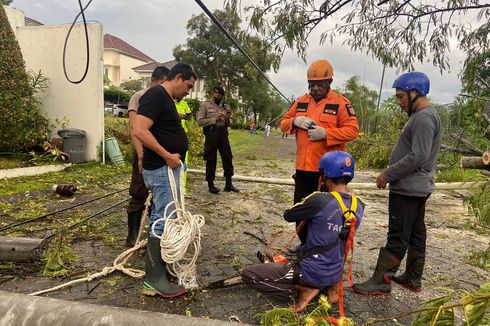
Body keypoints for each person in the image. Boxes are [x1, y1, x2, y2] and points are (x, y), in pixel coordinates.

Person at [242, 151, 364, 313]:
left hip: (311, 273)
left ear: (323, 175)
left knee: (248, 274)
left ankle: (303, 288)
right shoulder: (359, 205)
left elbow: (288, 214)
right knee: (306, 249)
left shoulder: (318, 199)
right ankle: (329, 288)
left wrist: (313, 199)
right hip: (334, 273)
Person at [353, 72, 441, 295]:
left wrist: (388, 174)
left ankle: (381, 282)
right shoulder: (425, 116)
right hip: (417, 187)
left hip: (409, 188)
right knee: (415, 234)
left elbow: (418, 155)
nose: (399, 102)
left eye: (401, 97)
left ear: (415, 93)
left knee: (398, 235)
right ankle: (413, 277)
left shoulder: (423, 118)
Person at [133, 63, 197, 298]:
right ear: (178, 77)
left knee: (167, 218)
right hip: (162, 169)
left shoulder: (166, 99)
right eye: (188, 86)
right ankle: (153, 279)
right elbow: (139, 129)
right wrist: (166, 155)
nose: (188, 92)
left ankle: (161, 271)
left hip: (167, 168)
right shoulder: (156, 95)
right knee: (161, 220)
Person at [280, 59, 359, 245]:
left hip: (328, 173)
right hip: (303, 169)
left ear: (329, 82)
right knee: (301, 212)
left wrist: (326, 134)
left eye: (319, 84)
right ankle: (304, 246)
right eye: (311, 84)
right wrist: (295, 121)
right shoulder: (300, 102)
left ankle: (322, 249)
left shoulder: (340, 104)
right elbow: (283, 124)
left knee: (325, 213)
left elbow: (353, 130)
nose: (314, 88)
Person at [125, 66, 169, 247]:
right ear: (153, 80)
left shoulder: (166, 98)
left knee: (158, 197)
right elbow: (136, 129)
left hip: (159, 153)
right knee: (139, 192)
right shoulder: (139, 96)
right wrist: (141, 156)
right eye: (161, 83)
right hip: (145, 152)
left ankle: (153, 236)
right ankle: (132, 235)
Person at [197, 85, 239, 194]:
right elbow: (200, 121)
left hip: (223, 133)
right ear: (213, 94)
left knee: (227, 156)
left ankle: (228, 184)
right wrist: (215, 118)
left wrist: (227, 117)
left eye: (221, 95)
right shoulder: (205, 105)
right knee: (211, 158)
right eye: (217, 95)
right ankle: (211, 184)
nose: (219, 97)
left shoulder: (225, 106)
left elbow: (231, 122)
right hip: (211, 133)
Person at [175, 98, 192, 194]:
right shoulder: (168, 101)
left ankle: (182, 189)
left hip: (182, 136)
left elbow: (190, 120)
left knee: (183, 164)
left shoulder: (184, 104)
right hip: (171, 136)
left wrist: (188, 117)